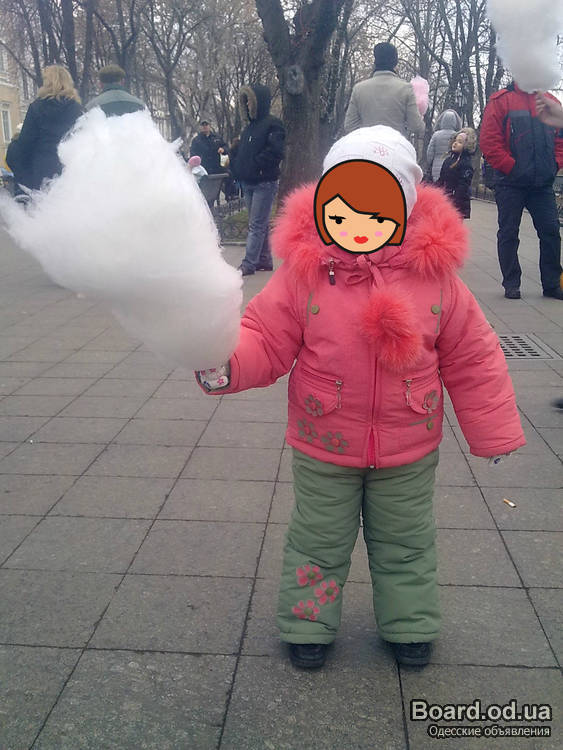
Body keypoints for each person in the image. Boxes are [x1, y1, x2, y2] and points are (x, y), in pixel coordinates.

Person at [196, 125, 525, 670]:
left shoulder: (436, 280)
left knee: (406, 542)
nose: (357, 227)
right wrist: (223, 362)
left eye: (375, 214)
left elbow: (473, 355)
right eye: (342, 212)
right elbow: (265, 337)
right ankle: (308, 622)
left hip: (408, 444)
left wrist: (492, 431)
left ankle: (409, 623)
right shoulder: (306, 276)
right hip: (324, 441)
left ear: (405, 209)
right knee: (318, 540)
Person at [480, 81, 563, 300]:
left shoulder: (549, 102)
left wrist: (554, 164)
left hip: (542, 183)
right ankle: (511, 283)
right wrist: (511, 167)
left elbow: (560, 138)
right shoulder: (500, 101)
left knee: (551, 231)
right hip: (510, 182)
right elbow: (489, 141)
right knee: (509, 232)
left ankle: (552, 283)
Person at [231, 84, 285, 276]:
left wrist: (254, 165)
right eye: (244, 102)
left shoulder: (273, 124)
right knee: (259, 223)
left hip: (264, 181)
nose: (246, 105)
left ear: (257, 102)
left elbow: (276, 152)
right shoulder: (248, 129)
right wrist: (238, 165)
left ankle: (249, 263)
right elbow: (243, 153)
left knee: (256, 224)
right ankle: (264, 259)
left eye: (249, 102)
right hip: (249, 181)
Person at [6, 65, 82, 192]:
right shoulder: (77, 109)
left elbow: (25, 143)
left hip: (42, 170)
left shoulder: (37, 107)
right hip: (70, 170)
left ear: (47, 83)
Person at [344, 42, 425, 138]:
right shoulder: (406, 88)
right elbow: (416, 126)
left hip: (367, 143)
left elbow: (349, 126)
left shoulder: (358, 89)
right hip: (395, 144)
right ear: (395, 62)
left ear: (375, 61)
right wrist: (420, 116)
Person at [436, 127, 476, 219]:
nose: (455, 143)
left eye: (460, 142)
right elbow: (441, 179)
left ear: (466, 146)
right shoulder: (448, 160)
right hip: (445, 197)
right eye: (455, 140)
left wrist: (455, 199)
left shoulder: (466, 163)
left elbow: (463, 185)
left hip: (457, 201)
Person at [426, 109, 462, 182]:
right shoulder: (457, 136)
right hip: (451, 165)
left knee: (437, 185)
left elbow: (429, 153)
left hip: (436, 166)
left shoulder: (436, 135)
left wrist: (430, 163)